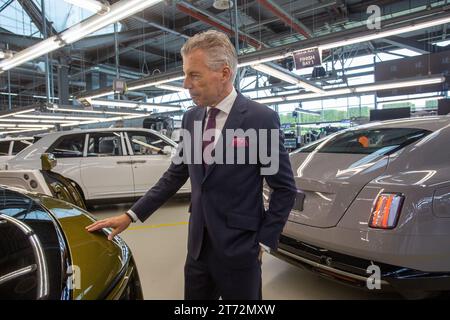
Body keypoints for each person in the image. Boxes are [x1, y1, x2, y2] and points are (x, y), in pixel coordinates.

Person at [86, 30, 297, 300]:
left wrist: (266, 239)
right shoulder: (191, 119)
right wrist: (131, 215)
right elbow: (174, 175)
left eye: (194, 75)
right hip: (198, 246)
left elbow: (284, 188)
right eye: (185, 74)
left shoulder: (260, 119)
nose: (186, 84)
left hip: (241, 247)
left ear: (224, 73)